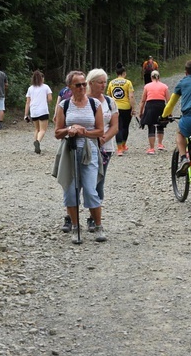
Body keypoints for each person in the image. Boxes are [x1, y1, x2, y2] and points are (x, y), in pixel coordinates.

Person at [53, 70, 106, 244]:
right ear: (70, 87)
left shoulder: (94, 104)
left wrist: (85, 131)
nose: (82, 87)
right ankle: (76, 227)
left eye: (84, 84)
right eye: (78, 85)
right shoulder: (64, 106)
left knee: (91, 189)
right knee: (70, 190)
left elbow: (100, 131)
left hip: (89, 150)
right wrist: (70, 130)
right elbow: (58, 132)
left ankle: (98, 226)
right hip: (70, 150)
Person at [86, 68, 119, 231]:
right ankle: (70, 214)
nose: (103, 85)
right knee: (79, 180)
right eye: (100, 82)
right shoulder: (81, 100)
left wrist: (103, 138)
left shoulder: (109, 101)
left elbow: (115, 126)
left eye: (105, 82)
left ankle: (93, 217)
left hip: (104, 147)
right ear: (90, 83)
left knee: (98, 181)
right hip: (84, 145)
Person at [106, 63, 136, 156]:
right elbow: (131, 96)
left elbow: (108, 96)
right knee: (125, 127)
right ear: (124, 73)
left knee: (118, 128)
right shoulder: (127, 82)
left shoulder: (111, 83)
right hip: (126, 107)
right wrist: (133, 108)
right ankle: (123, 145)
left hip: (115, 108)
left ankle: (119, 149)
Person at [138, 70, 170, 155]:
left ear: (151, 77)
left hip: (150, 106)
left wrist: (141, 112)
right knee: (161, 125)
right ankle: (160, 144)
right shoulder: (164, 86)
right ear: (159, 77)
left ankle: (151, 148)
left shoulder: (147, 86)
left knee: (151, 126)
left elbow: (143, 101)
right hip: (161, 106)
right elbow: (169, 101)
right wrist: (169, 112)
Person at [24, 70, 53, 154]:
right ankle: (38, 141)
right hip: (43, 110)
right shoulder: (46, 87)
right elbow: (50, 99)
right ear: (41, 78)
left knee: (37, 129)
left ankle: (36, 144)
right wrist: (44, 101)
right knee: (43, 130)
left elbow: (27, 102)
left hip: (34, 111)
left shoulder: (30, 88)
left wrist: (26, 114)